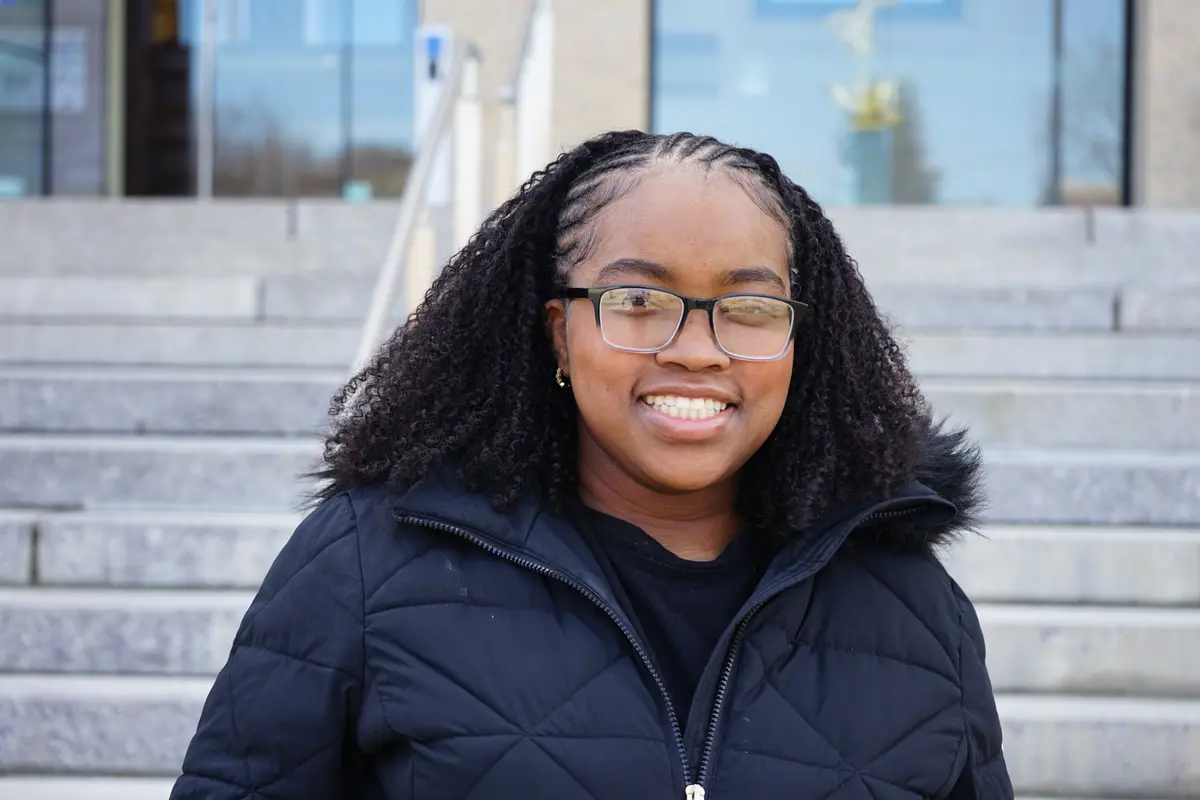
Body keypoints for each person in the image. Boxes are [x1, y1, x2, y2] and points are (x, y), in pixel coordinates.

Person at [170, 131, 1013, 799]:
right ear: (557, 333)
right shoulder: (363, 566)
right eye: (638, 302)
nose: (697, 351)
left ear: (800, 341)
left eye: (748, 307)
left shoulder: (915, 607)